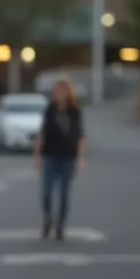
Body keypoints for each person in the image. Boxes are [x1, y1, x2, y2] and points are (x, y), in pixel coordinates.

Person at [34, 77, 86, 241]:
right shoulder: (50, 110)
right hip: (50, 155)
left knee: (64, 193)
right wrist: (37, 155)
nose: (59, 94)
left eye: (62, 90)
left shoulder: (74, 111)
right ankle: (48, 218)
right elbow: (42, 134)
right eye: (57, 90)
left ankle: (60, 225)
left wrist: (80, 158)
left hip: (68, 157)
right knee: (46, 193)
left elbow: (80, 136)